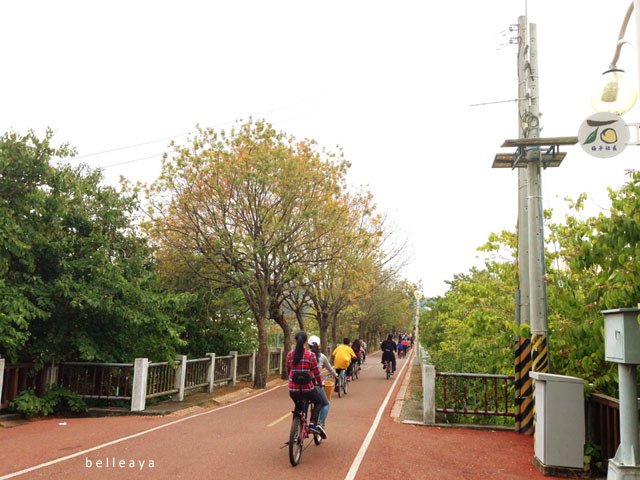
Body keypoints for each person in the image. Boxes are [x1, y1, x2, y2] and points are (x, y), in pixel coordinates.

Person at [287, 331, 328, 439]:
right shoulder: (311, 355)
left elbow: (288, 370)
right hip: (307, 389)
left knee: (298, 406)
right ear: (305, 341)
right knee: (319, 402)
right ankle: (312, 424)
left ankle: (295, 431)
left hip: (293, 389)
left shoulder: (290, 354)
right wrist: (320, 384)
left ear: (295, 340)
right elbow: (316, 373)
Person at [308, 335, 336, 433]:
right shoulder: (321, 357)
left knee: (302, 403)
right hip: (314, 385)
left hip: (301, 385)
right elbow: (329, 368)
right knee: (325, 403)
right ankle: (320, 424)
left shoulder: (304, 355)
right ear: (319, 345)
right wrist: (335, 375)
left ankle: (299, 421)